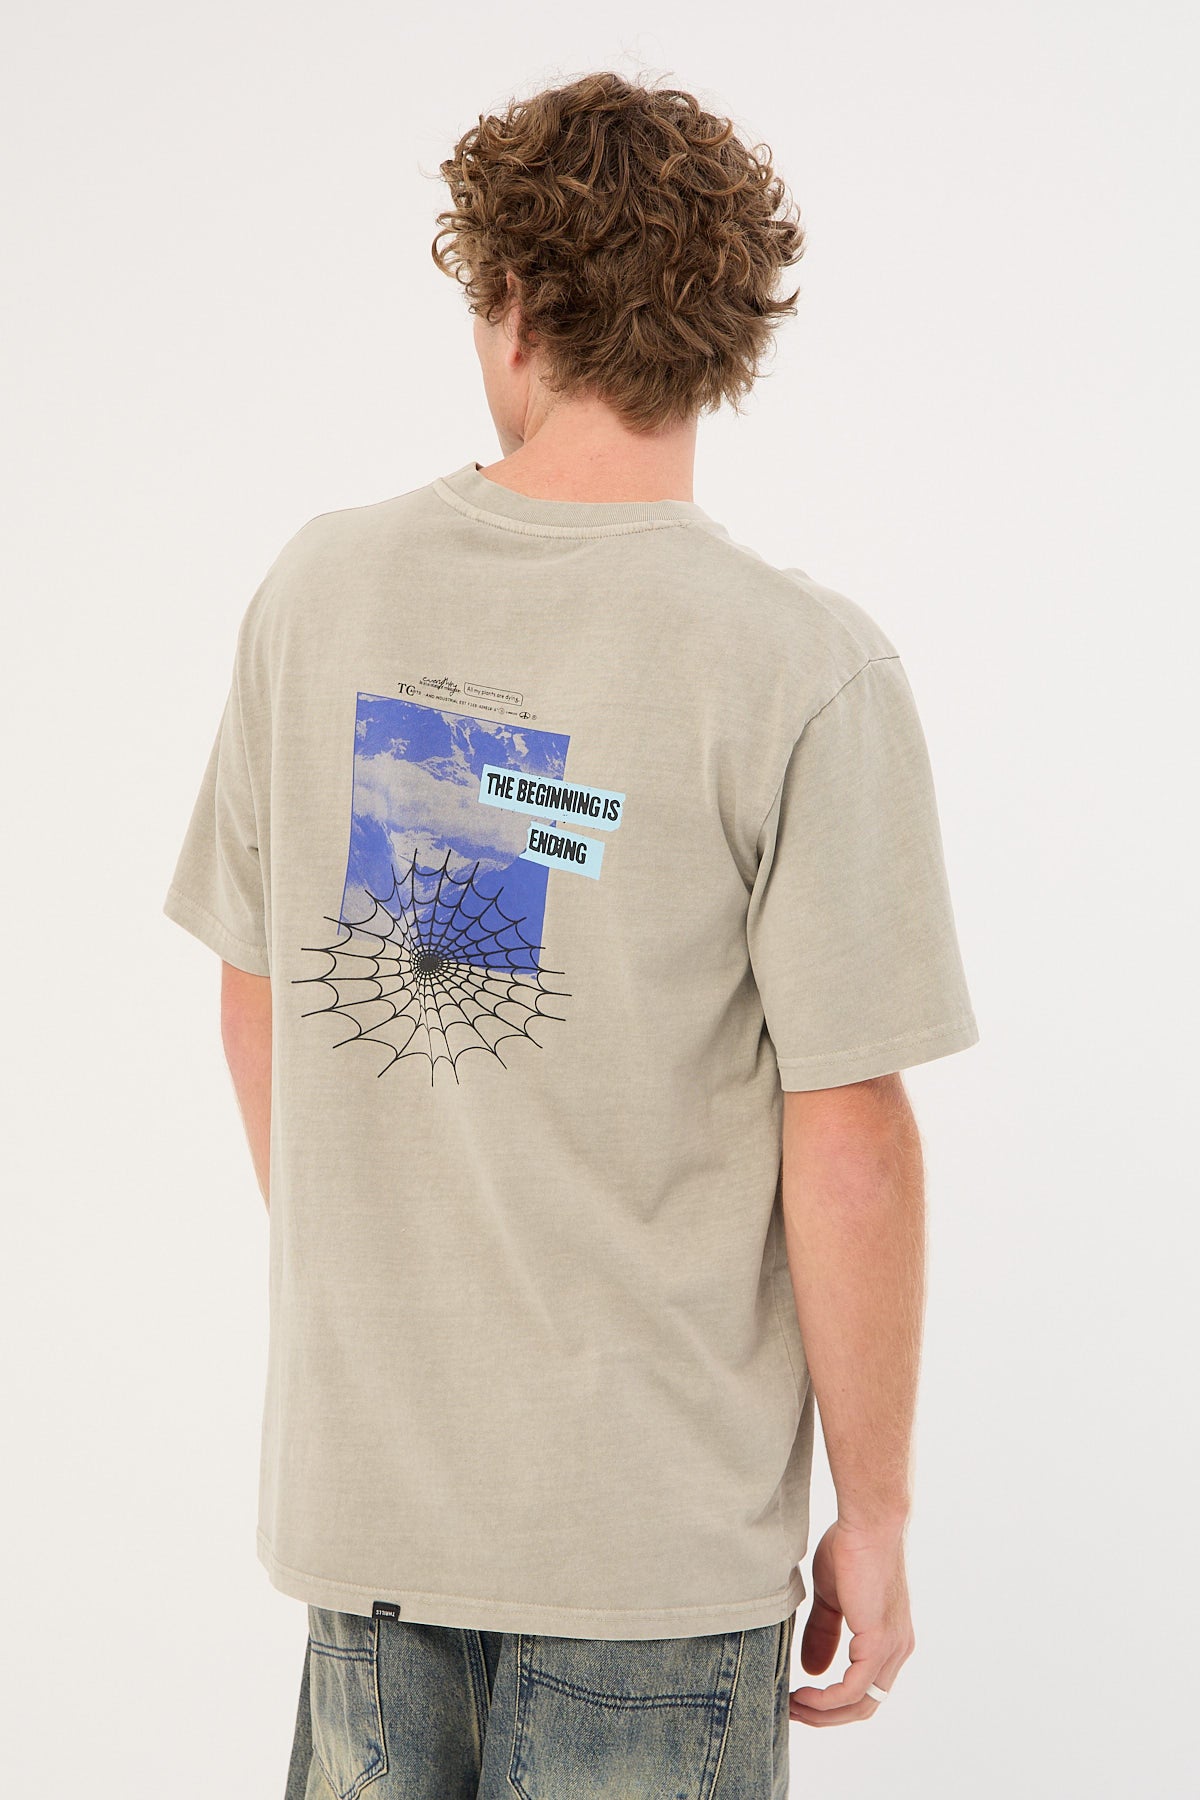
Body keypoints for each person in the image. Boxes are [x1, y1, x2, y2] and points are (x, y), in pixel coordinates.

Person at [163, 69, 978, 1800]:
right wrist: (879, 1508)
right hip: (651, 1548)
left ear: (513, 304)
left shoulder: (319, 593)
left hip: (369, 1527)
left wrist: (404, 1288)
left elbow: (259, 1005)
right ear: (728, 331)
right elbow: (849, 1135)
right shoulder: (800, 670)